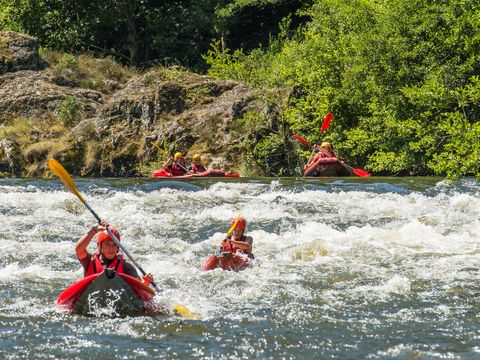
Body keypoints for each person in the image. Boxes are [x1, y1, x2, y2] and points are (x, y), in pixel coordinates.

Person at [75, 220, 153, 282]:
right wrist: (94, 230)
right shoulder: (89, 261)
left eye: (114, 245)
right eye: (107, 244)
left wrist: (146, 282)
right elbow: (79, 250)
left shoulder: (126, 266)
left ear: (118, 247)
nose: (111, 248)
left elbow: (138, 288)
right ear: (100, 246)